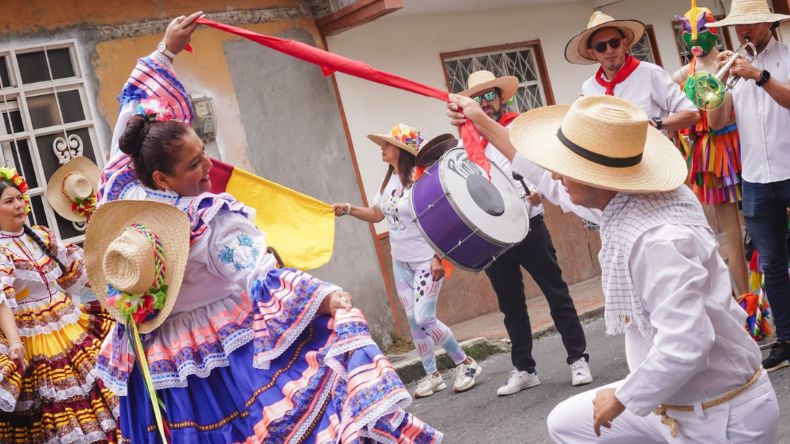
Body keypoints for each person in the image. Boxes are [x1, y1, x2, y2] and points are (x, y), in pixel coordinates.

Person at [90, 13, 441, 442]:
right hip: (222, 349)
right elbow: (255, 270)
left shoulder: (125, 195)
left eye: (204, 153)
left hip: (157, 359)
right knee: (273, 424)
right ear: (162, 177)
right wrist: (324, 298)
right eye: (193, 163)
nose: (207, 169)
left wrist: (165, 51)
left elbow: (129, 124)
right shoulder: (207, 221)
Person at [446, 92, 778, 443]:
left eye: (567, 166)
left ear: (597, 176)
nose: (557, 174)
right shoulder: (626, 200)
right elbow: (544, 178)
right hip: (670, 404)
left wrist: (623, 397)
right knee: (566, 423)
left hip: (722, 417)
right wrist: (480, 121)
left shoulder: (658, 241)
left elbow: (687, 343)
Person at [457, 70, 592, 395]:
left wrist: (535, 192)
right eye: (477, 98)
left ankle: (578, 358)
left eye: (490, 95)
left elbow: (539, 165)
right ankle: (524, 368)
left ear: (502, 98)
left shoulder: (520, 128)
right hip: (494, 235)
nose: (484, 103)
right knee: (511, 305)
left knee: (555, 292)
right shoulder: (466, 141)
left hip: (530, 223)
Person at [333, 128, 481, 398]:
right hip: (400, 261)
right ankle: (432, 374)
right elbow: (378, 214)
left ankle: (466, 363)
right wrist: (350, 208)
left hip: (426, 260)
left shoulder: (422, 181)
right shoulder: (388, 182)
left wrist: (439, 257)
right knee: (413, 320)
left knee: (425, 317)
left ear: (402, 150)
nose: (382, 148)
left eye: (388, 144)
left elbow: (442, 220)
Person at [0, 166, 118, 443]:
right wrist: (15, 341)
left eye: (19, 198)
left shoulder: (39, 235)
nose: (19, 205)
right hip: (33, 334)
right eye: (9, 201)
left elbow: (75, 273)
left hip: (68, 318)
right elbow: (2, 300)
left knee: (101, 384)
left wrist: (118, 284)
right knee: (60, 403)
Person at [706, 0, 790, 371]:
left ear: (767, 24)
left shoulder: (785, 58)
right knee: (772, 263)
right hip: (755, 178)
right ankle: (787, 339)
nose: (743, 31)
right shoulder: (734, 70)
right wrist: (718, 86)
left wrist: (760, 76)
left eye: (750, 24)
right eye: (739, 25)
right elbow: (715, 122)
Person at [671, 1, 749, 297]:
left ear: (712, 32)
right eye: (687, 33)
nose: (693, 39)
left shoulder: (730, 61)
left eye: (700, 32)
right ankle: (747, 302)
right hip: (710, 156)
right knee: (732, 234)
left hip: (742, 144)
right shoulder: (682, 75)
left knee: (769, 222)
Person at [566, 11, 699, 134]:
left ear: (624, 43)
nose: (609, 50)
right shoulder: (589, 88)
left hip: (653, 156)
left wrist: (654, 124)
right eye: (601, 47)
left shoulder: (650, 73)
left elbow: (692, 114)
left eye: (614, 42)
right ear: (592, 53)